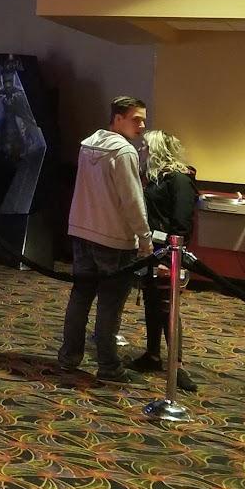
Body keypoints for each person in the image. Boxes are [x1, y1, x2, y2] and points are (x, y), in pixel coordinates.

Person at [56, 96, 153, 384]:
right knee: (110, 305)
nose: (142, 125)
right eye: (136, 119)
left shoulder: (88, 145)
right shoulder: (124, 152)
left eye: (143, 120)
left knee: (80, 297)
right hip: (114, 238)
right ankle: (108, 365)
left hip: (83, 230)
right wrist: (144, 237)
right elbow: (132, 200)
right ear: (118, 118)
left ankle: (69, 356)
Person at [128, 129, 197, 392]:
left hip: (169, 252)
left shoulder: (179, 179)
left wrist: (170, 256)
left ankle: (177, 365)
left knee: (168, 306)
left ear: (156, 149)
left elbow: (182, 222)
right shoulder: (156, 178)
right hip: (152, 249)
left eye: (145, 146)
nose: (141, 150)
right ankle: (153, 354)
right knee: (151, 301)